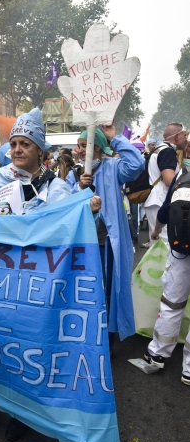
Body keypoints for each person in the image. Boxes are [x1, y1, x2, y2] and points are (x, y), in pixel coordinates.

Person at [0, 108, 101, 442]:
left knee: (27, 346)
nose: (17, 150)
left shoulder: (57, 189)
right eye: (13, 143)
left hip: (35, 287)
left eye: (25, 144)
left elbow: (73, 228)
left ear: (40, 150)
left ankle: (22, 411)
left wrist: (90, 211)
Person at [66, 124, 144, 349]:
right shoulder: (75, 174)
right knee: (87, 288)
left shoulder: (113, 167)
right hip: (85, 243)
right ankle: (87, 333)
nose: (81, 150)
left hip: (108, 243)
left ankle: (107, 336)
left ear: (98, 148)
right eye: (79, 146)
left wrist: (114, 137)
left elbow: (137, 165)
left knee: (109, 288)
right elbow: (65, 206)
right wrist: (79, 188)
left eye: (86, 145)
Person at [144, 152, 190, 384]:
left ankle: (157, 354)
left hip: (181, 251)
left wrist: (155, 230)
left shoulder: (182, 178)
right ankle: (189, 370)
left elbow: (164, 212)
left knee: (172, 302)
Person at [143, 123, 188, 247]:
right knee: (165, 243)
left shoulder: (159, 149)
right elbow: (170, 181)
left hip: (155, 199)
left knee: (158, 243)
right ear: (177, 136)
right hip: (159, 200)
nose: (186, 139)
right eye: (185, 135)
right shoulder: (167, 151)